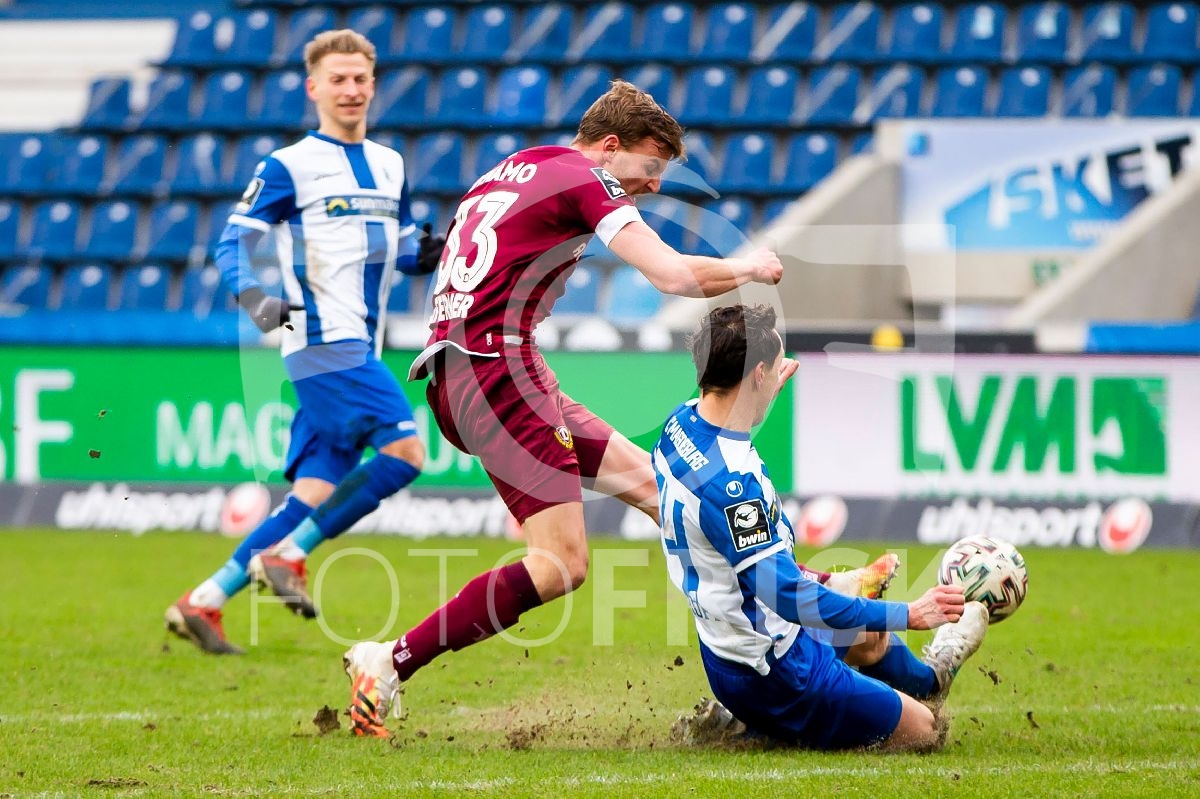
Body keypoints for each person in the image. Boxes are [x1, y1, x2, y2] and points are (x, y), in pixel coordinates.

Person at [339, 79, 794, 736]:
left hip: (478, 368)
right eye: (649, 165)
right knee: (560, 564)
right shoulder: (587, 177)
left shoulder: (516, 166)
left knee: (666, 493)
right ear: (609, 146)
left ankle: (774, 635)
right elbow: (670, 275)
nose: (654, 185)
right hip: (496, 371)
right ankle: (389, 661)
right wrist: (749, 267)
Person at [165, 30, 443, 654]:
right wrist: (258, 303)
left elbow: (395, 244)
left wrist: (422, 254)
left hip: (360, 341)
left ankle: (203, 600)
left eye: (360, 78)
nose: (351, 89)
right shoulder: (287, 165)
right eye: (337, 79)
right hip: (314, 334)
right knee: (405, 454)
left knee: (314, 492)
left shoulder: (390, 164)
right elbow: (232, 243)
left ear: (373, 84)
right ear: (313, 87)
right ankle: (289, 555)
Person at [654, 304, 988, 752]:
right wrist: (910, 613)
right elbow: (789, 598)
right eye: (774, 368)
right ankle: (755, 726)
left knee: (869, 639)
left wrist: (759, 390)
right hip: (777, 669)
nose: (780, 375)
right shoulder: (732, 487)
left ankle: (931, 679)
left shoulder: (679, 426)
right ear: (756, 374)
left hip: (726, 650)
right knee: (926, 731)